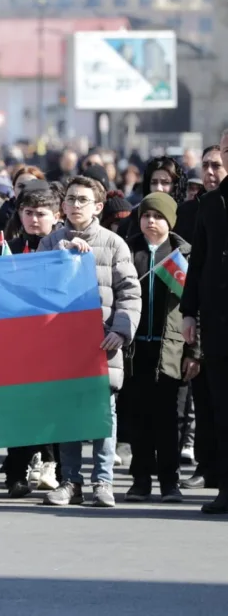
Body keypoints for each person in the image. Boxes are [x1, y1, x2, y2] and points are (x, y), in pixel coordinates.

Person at [38, 176, 142, 508]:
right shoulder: (50, 243)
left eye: (83, 200)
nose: (75, 205)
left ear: (98, 207)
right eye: (70, 199)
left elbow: (130, 293)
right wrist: (61, 256)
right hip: (62, 346)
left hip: (103, 345)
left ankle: (102, 482)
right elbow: (35, 287)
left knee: (103, 417)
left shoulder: (114, 244)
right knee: (67, 417)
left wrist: (121, 331)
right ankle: (70, 481)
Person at [124, 193, 199, 504]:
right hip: (135, 351)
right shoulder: (128, 252)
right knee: (138, 419)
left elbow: (196, 309)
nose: (150, 221)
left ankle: (170, 482)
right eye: (145, 215)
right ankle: (140, 480)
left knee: (168, 420)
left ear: (170, 221)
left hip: (170, 352)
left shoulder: (184, 257)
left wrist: (194, 353)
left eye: (157, 216)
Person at [0, 181, 63, 496]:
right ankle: (16, 474)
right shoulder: (9, 247)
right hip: (16, 341)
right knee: (18, 410)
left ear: (56, 214)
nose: (35, 219)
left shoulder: (65, 246)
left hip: (54, 341)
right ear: (19, 213)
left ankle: (53, 466)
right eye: (28, 212)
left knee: (52, 408)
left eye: (42, 213)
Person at [181, 131, 228, 514]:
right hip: (218, 321)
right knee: (221, 406)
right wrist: (189, 312)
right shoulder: (210, 203)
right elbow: (197, 264)